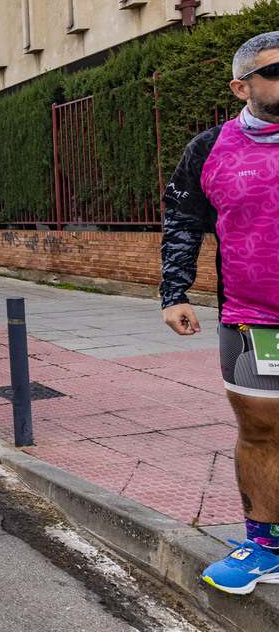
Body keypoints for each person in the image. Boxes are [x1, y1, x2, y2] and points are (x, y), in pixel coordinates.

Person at [161, 31, 279, 595]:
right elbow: (182, 222)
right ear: (241, 85)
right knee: (261, 432)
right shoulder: (209, 149)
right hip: (255, 320)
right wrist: (174, 293)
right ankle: (266, 545)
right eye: (274, 71)